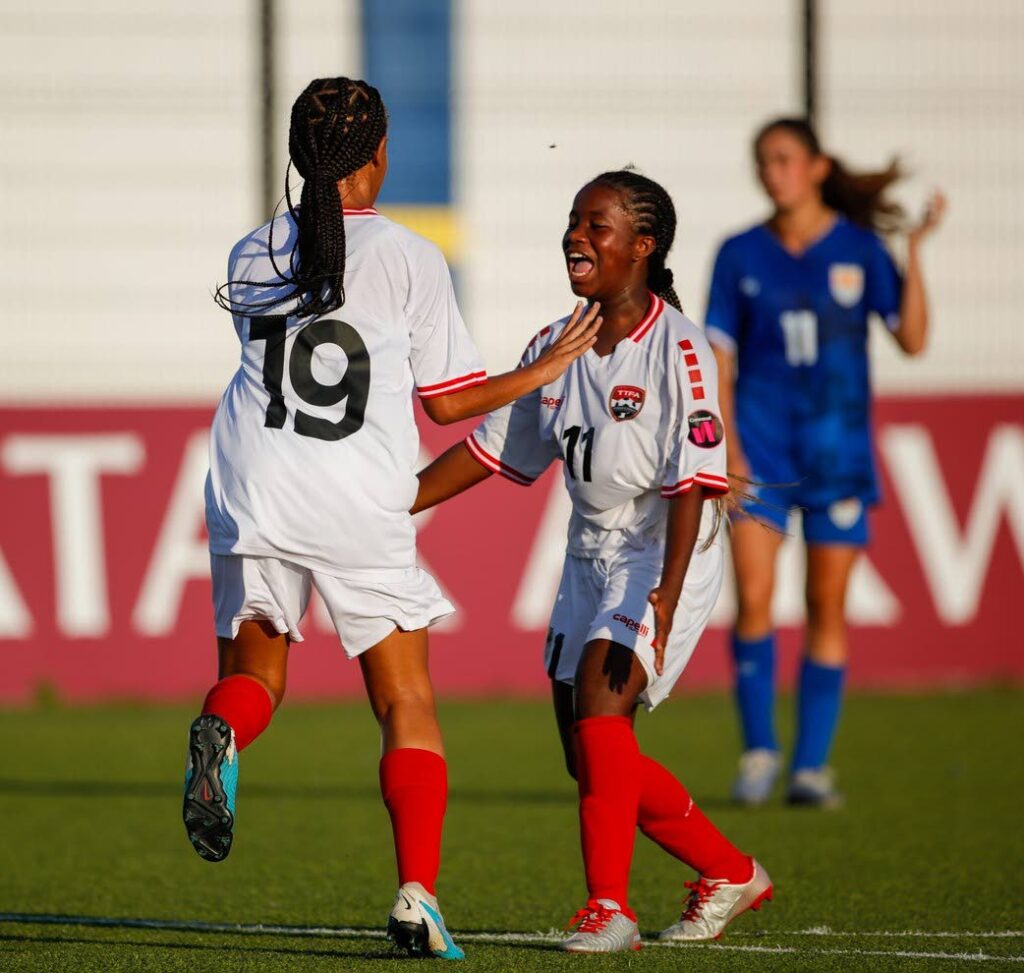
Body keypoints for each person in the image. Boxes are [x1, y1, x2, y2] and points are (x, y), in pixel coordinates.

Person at [183, 77, 601, 961]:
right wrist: (541, 369)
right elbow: (449, 407)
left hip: (251, 479)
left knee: (258, 667)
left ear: (299, 157)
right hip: (354, 495)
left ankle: (223, 732)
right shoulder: (410, 257)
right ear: (379, 158)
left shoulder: (250, 251)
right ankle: (417, 895)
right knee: (404, 697)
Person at [413, 170, 772, 953]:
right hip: (588, 556)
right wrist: (394, 505)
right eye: (575, 221)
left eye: (597, 225)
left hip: (663, 547)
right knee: (590, 756)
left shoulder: (682, 346)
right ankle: (730, 870)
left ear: (643, 247)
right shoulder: (555, 344)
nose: (577, 236)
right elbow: (490, 452)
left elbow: (694, 482)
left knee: (603, 710)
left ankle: (608, 907)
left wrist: (668, 595)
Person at [705, 117, 947, 808]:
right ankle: (758, 752)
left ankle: (810, 767)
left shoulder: (860, 249)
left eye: (783, 159)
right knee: (753, 596)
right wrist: (728, 445)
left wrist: (917, 252)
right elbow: (720, 356)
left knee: (824, 605)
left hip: (837, 451)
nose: (771, 171)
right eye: (763, 161)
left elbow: (913, 339)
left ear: (815, 167)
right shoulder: (740, 253)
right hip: (762, 448)